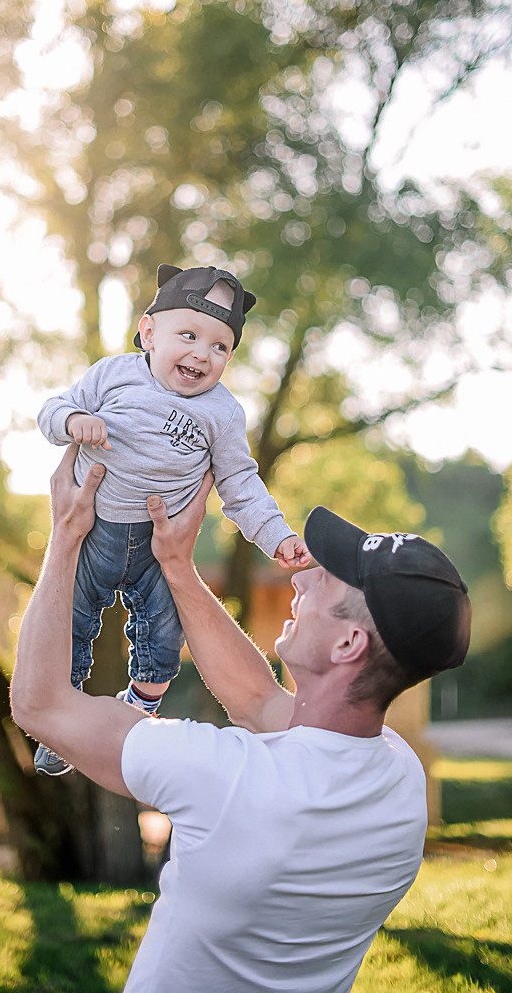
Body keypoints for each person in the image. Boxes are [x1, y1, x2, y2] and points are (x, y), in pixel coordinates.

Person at [11, 448, 471, 993]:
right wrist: (176, 568)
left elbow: (39, 705)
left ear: (350, 643)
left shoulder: (229, 778)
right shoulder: (398, 782)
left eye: (328, 582)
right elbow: (257, 701)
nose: (301, 582)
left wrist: (66, 534)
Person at [34, 263, 311, 774]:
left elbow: (241, 486)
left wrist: (278, 536)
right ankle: (64, 721)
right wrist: (76, 420)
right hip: (95, 532)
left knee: (164, 634)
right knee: (70, 625)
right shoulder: (113, 374)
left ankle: (140, 703)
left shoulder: (222, 413)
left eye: (220, 347)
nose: (202, 354)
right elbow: (52, 410)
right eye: (189, 335)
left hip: (158, 545)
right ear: (149, 332)